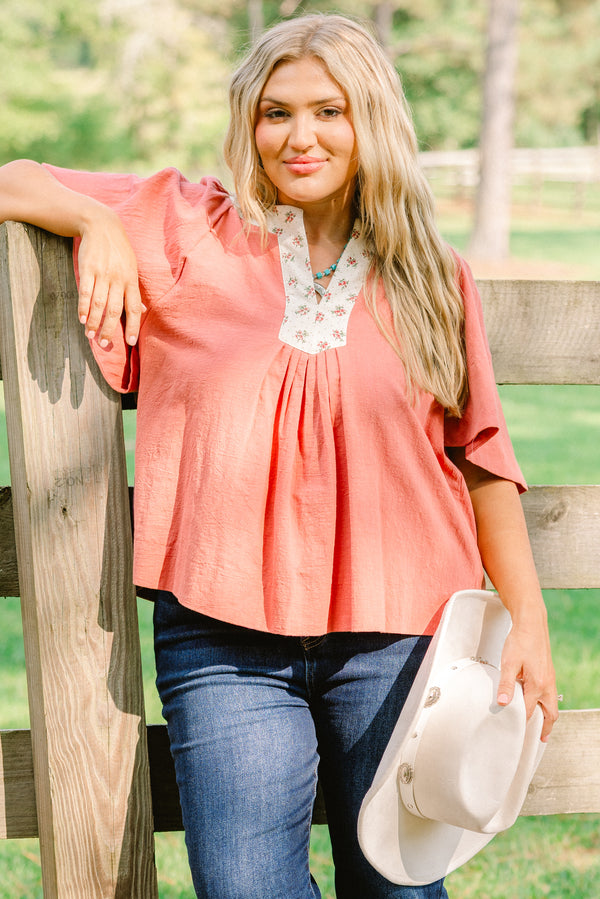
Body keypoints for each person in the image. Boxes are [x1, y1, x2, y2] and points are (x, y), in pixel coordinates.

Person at [0, 13, 557, 898]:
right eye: (275, 112)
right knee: (247, 888)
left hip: (399, 635)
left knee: (400, 887)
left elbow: (483, 458)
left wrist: (527, 621)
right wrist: (92, 224)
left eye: (329, 111)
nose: (299, 137)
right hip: (225, 643)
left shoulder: (430, 274)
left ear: (370, 119)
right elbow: (12, 177)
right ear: (248, 124)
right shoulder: (188, 229)